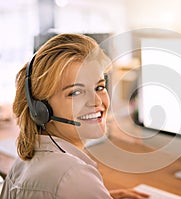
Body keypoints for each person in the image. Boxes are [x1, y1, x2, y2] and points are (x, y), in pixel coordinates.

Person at [0, 34, 149, 199]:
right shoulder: (73, 175)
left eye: (99, 87)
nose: (97, 101)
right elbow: (66, 184)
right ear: (41, 108)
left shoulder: (25, 160)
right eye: (76, 92)